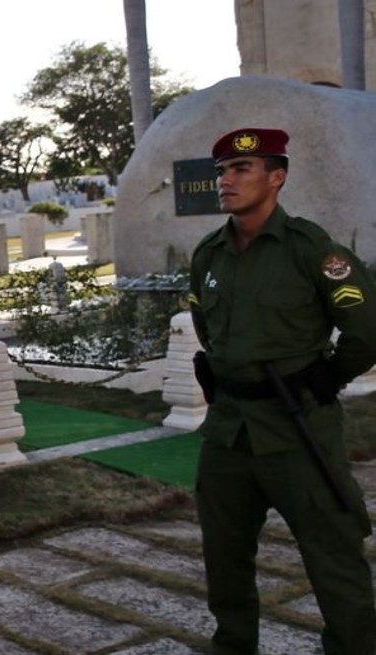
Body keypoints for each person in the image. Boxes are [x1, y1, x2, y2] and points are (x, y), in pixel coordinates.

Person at [188, 127, 376, 654]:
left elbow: (367, 330)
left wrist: (327, 376)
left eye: (241, 169)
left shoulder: (311, 250)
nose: (226, 179)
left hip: (297, 427)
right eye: (222, 170)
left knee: (333, 555)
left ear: (277, 177)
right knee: (223, 557)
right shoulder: (209, 255)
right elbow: (206, 325)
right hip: (228, 432)